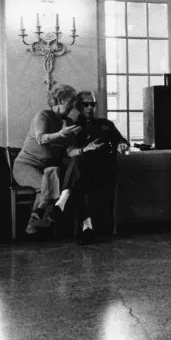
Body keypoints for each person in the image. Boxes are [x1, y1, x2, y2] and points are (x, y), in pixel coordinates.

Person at [12, 84, 82, 236]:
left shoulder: (68, 122)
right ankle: (35, 225)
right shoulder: (43, 116)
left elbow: (69, 151)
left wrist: (83, 150)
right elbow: (42, 138)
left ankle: (38, 219)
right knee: (48, 185)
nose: (73, 106)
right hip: (25, 166)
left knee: (54, 171)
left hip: (47, 169)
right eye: (70, 102)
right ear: (59, 101)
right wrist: (61, 134)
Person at [62, 91, 130, 245]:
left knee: (83, 181)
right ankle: (87, 227)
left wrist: (121, 143)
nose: (89, 108)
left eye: (92, 104)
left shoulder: (105, 124)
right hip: (84, 171)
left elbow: (121, 139)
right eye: (85, 104)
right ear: (79, 106)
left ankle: (89, 226)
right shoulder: (73, 127)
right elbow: (68, 151)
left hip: (105, 169)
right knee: (81, 179)